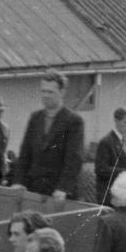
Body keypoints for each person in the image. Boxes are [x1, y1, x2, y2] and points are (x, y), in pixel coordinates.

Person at [11, 70, 85, 206]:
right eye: (43, 91)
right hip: (34, 190)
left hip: (59, 194)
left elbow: (74, 159)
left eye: (50, 92)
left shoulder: (73, 121)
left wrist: (63, 188)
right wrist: (18, 182)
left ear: (62, 92)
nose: (45, 95)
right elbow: (25, 154)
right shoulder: (35, 118)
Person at [93, 106, 126, 205]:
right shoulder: (106, 141)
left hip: (122, 192)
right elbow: (100, 169)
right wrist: (125, 172)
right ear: (116, 121)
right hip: (109, 193)